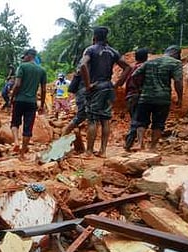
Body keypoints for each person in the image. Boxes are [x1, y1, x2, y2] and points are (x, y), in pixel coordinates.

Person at [80, 26, 131, 157]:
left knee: (92, 119)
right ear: (106, 37)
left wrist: (87, 85)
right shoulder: (113, 52)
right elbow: (127, 67)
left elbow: (82, 65)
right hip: (108, 86)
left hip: (96, 87)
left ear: (94, 37)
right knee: (105, 120)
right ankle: (103, 151)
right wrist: (117, 84)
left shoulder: (90, 50)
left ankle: (89, 151)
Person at [134, 45, 183, 150]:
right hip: (162, 99)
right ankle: (152, 147)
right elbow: (178, 81)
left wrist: (140, 87)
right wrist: (180, 98)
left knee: (141, 121)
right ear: (176, 53)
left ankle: (140, 144)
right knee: (158, 123)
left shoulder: (150, 62)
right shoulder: (175, 63)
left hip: (145, 97)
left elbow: (135, 75)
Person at [10, 48, 47, 159]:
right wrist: (42, 105)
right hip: (32, 102)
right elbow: (44, 89)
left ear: (28, 56)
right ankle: (22, 154)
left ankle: (16, 141)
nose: (23, 58)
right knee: (28, 127)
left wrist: (12, 97)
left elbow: (17, 84)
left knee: (14, 123)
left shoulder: (22, 67)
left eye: (24, 56)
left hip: (19, 100)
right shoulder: (41, 70)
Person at [124, 48, 148, 151]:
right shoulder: (143, 68)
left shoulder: (133, 68)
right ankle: (129, 143)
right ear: (146, 57)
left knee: (136, 119)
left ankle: (131, 143)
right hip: (137, 96)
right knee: (137, 120)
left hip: (130, 96)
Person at [62, 69, 86, 153]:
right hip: (85, 95)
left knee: (79, 119)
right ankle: (60, 145)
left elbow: (72, 87)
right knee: (87, 119)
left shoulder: (82, 68)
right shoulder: (86, 66)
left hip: (80, 95)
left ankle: (61, 144)